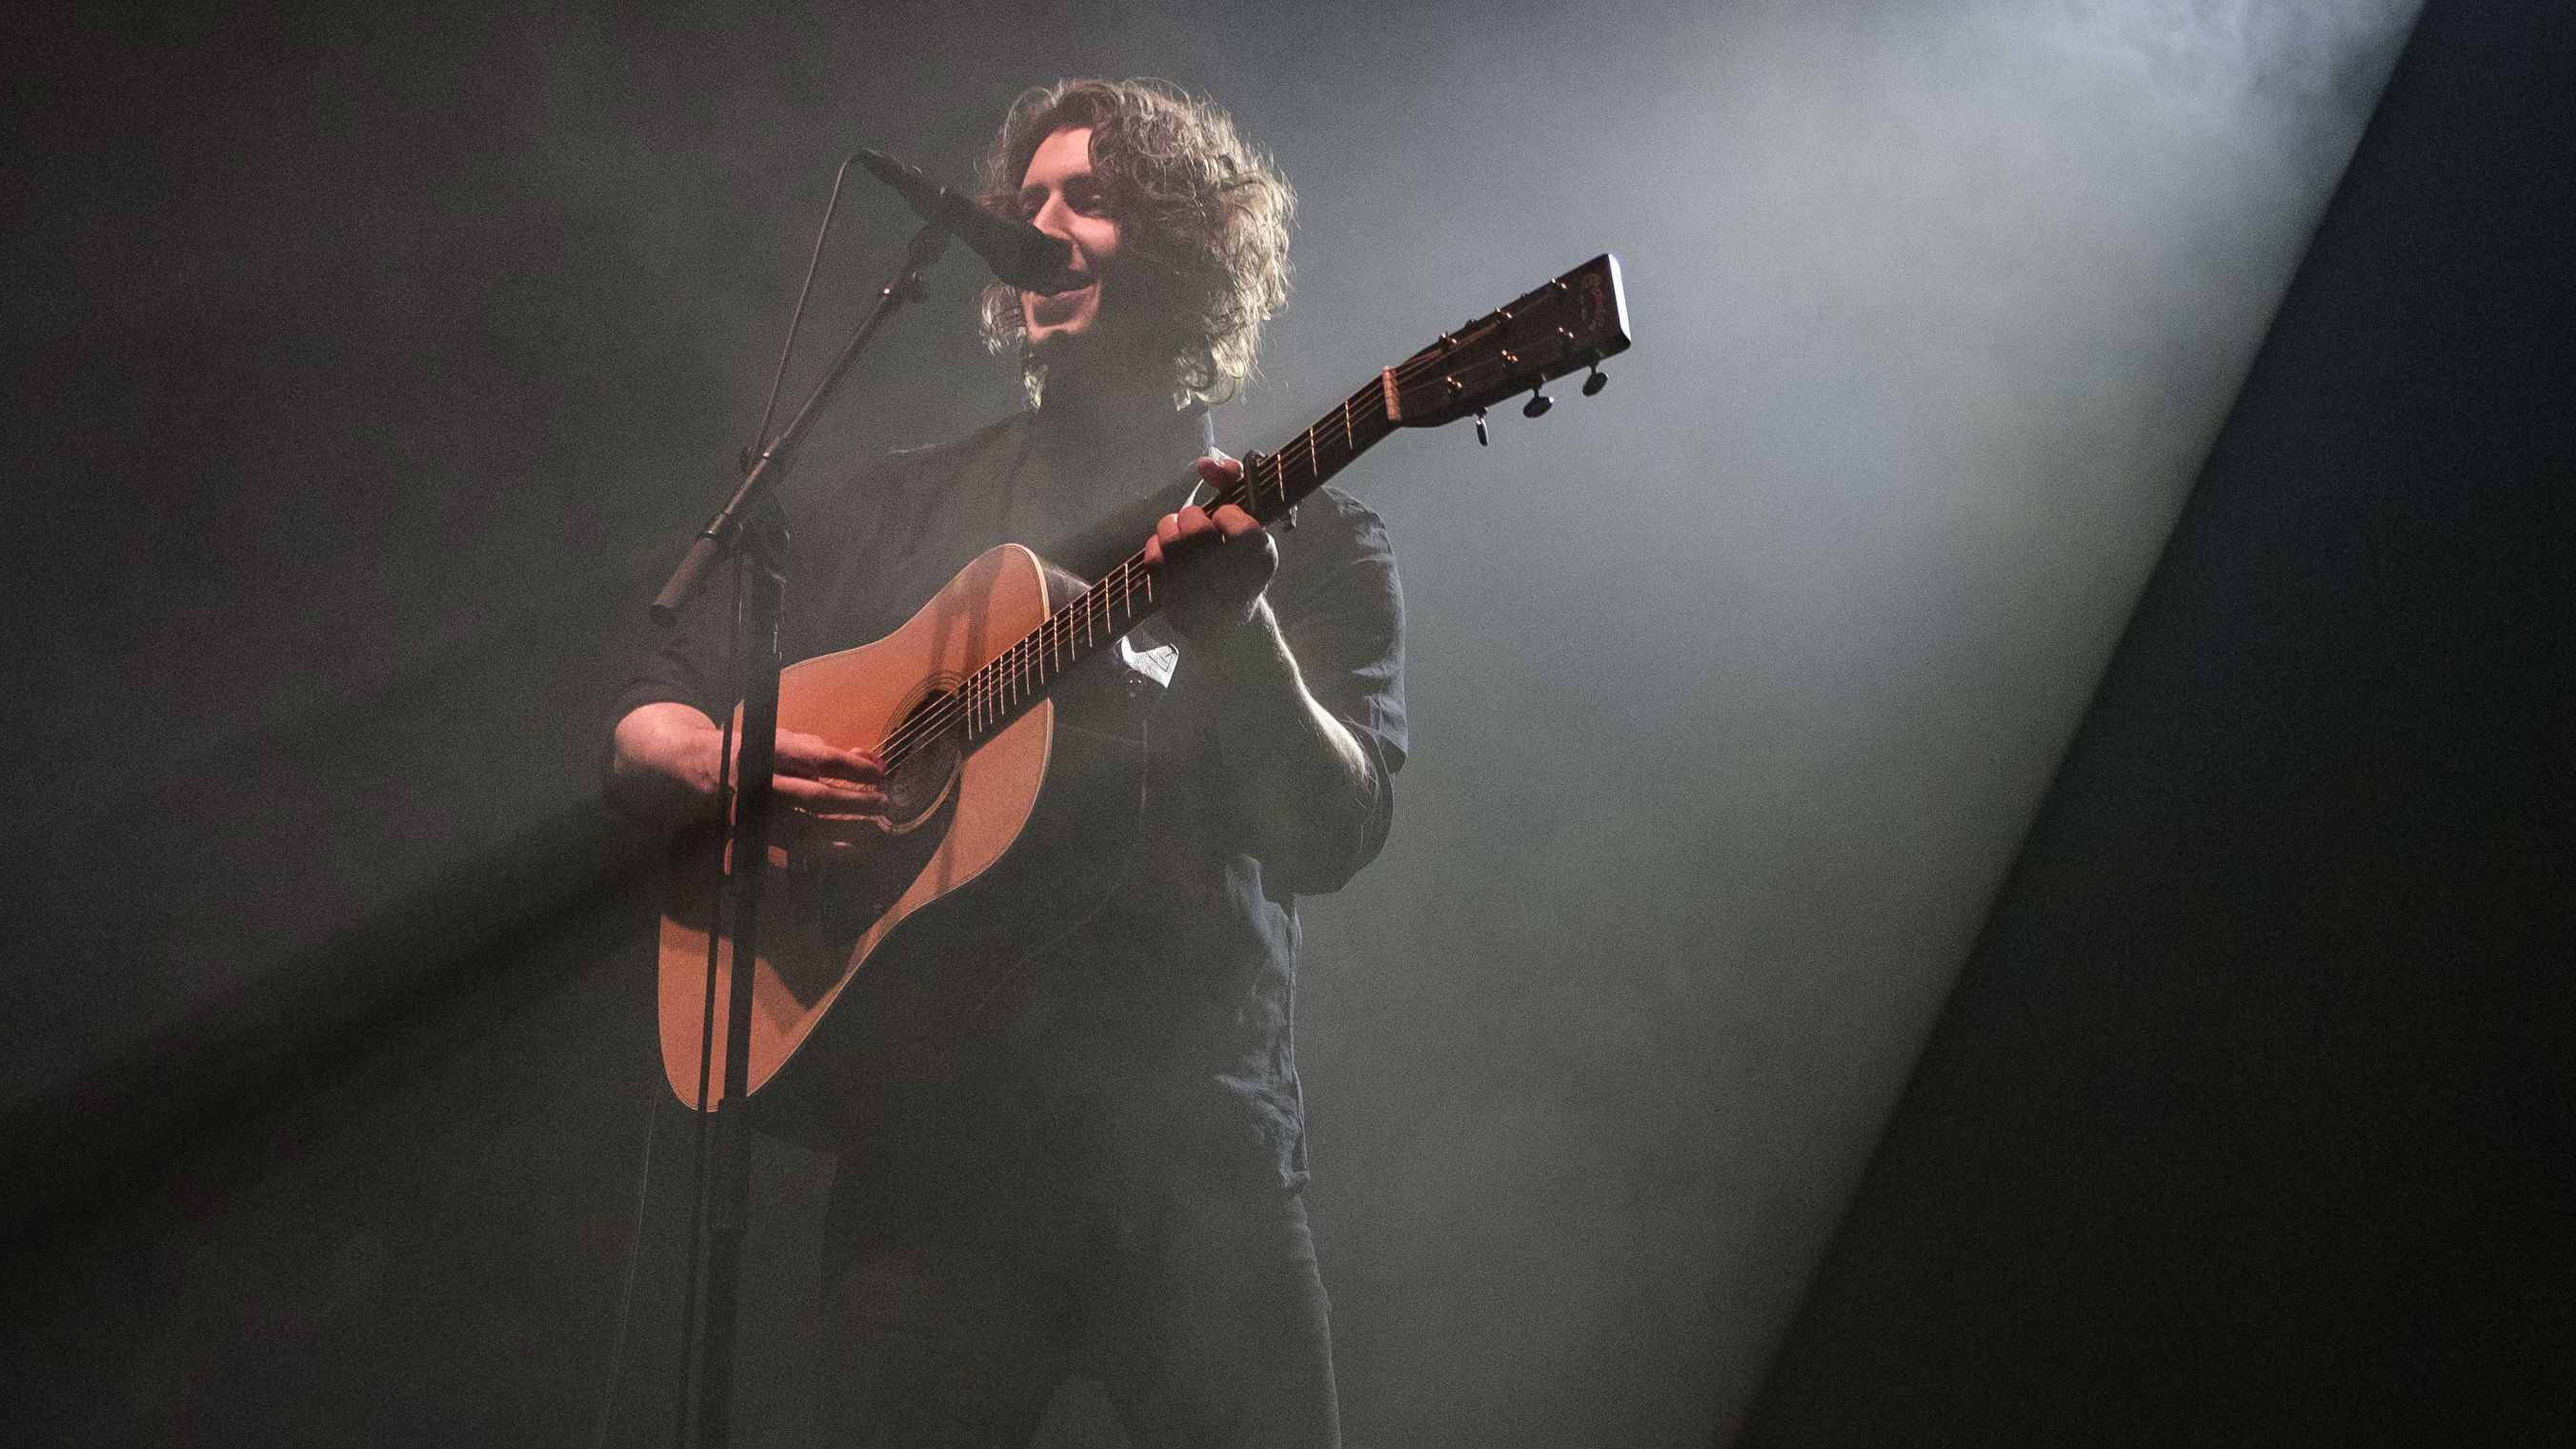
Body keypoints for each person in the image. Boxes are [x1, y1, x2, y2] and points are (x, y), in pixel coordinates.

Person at [607, 78, 1404, 1447]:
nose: (1039, 225)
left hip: (1196, 1165)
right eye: (1025, 200)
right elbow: (649, 710)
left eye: (1088, 197)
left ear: (1187, 243)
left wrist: (1240, 623)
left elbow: (1336, 829)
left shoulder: (1312, 537)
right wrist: (720, 755)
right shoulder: (894, 506)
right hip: (934, 1167)